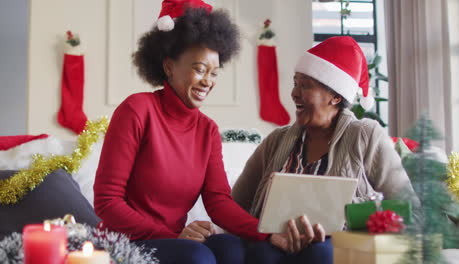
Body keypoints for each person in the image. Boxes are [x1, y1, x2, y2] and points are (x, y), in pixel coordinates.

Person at [93, 1, 269, 263]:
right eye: (199, 69)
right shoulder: (137, 110)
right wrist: (171, 237)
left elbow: (218, 201)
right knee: (197, 257)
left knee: (233, 249)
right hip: (125, 240)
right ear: (168, 66)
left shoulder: (207, 130)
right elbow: (107, 201)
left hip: (175, 240)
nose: (208, 81)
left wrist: (268, 234)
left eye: (214, 73)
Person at [232, 36, 416, 264]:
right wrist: (266, 233)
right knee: (262, 254)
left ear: (336, 96)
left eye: (305, 85)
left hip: (337, 245)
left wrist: (341, 218)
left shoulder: (366, 136)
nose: (294, 93)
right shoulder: (277, 141)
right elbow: (236, 204)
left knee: (321, 253)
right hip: (274, 244)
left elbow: (407, 208)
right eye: (295, 83)